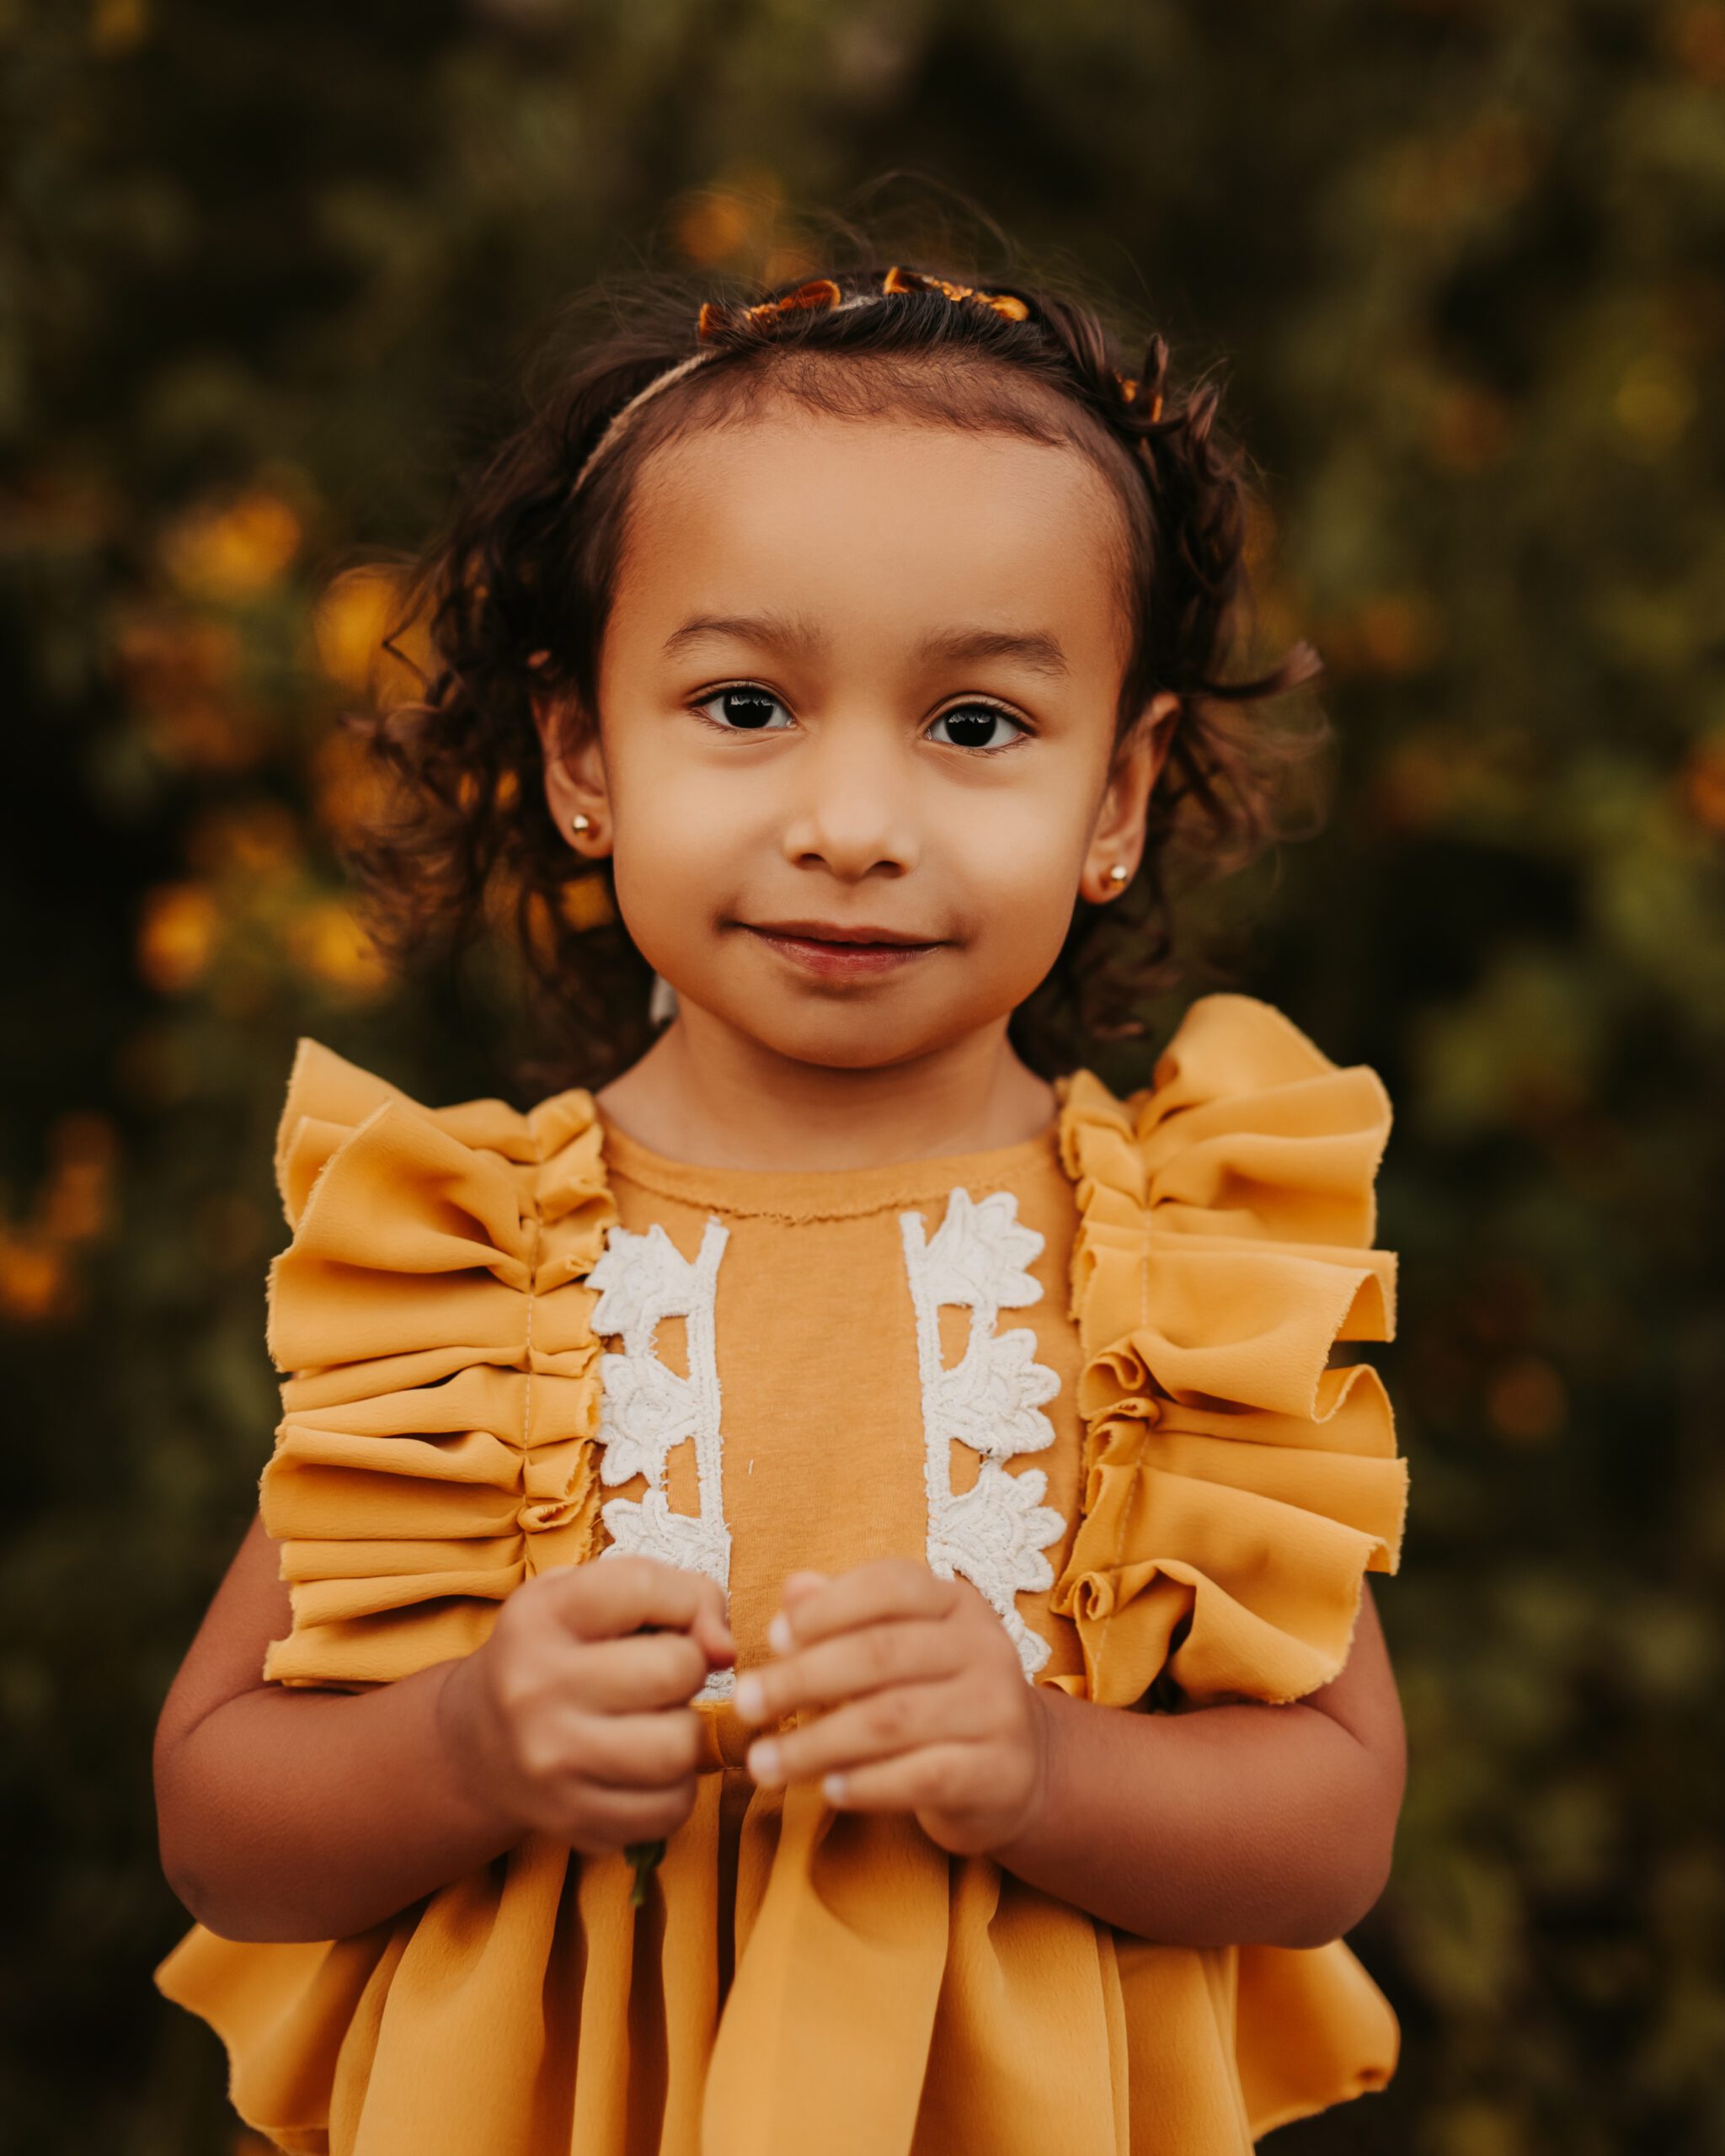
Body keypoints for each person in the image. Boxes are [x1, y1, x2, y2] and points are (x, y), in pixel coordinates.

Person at [151, 251, 1410, 2156]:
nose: (850, 818)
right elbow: (222, 1817)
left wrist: (1042, 1765)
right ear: (585, 752)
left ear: (1116, 794)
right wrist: (466, 1741)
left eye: (974, 724)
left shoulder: (1189, 1265)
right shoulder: (464, 1263)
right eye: (745, 702)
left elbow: (1331, 1824)